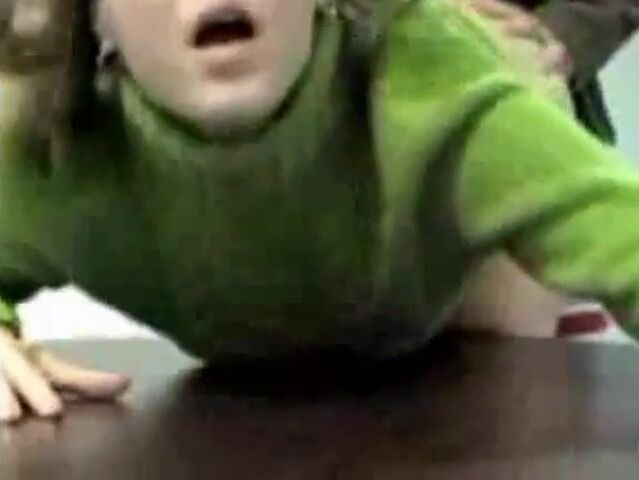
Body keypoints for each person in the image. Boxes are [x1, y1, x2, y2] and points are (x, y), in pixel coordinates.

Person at [2, 0, 639, 424]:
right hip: (258, 378)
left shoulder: (430, 93)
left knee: (500, 399)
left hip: (460, 286)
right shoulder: (60, 151)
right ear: (94, 15)